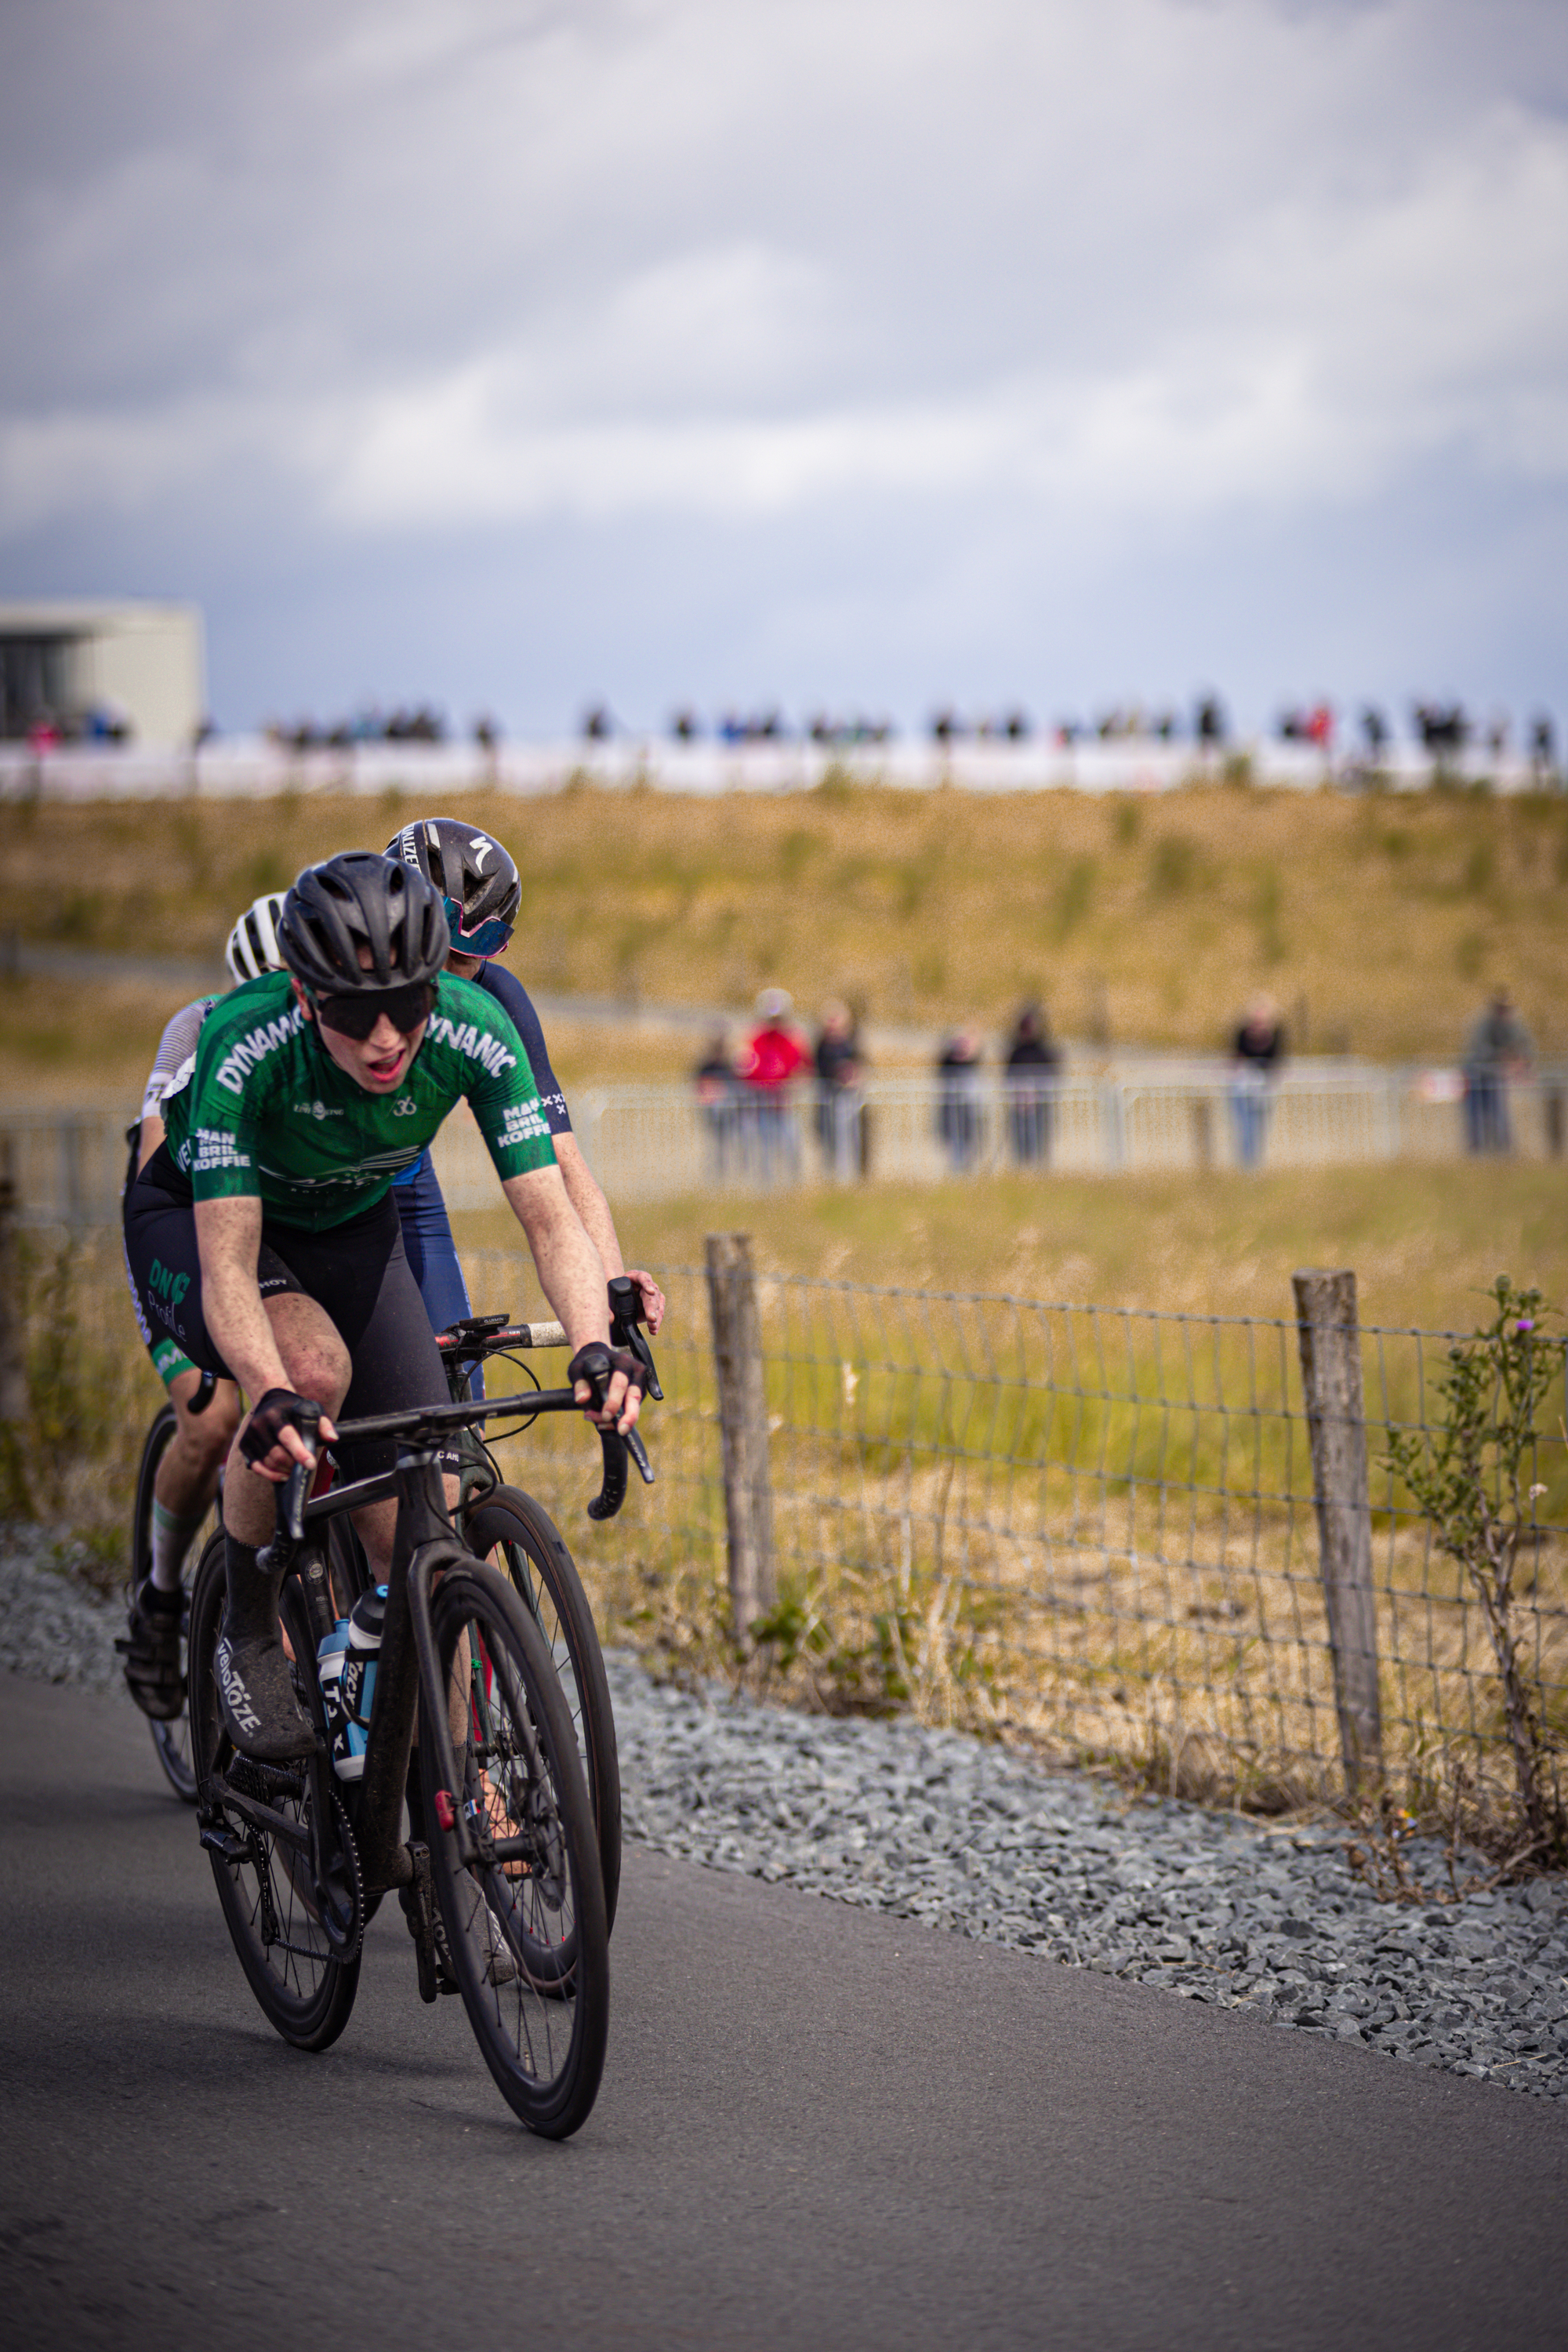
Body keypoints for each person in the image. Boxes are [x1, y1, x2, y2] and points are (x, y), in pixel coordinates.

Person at [122, 851, 645, 1764]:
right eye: (352, 1013)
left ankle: (446, 1808)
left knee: (424, 1510)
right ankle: (245, 1627)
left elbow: (549, 1217)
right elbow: (231, 1263)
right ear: (302, 996)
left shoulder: (474, 1027)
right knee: (309, 1372)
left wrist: (595, 1348)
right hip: (211, 1223)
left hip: (349, 1224)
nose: (384, 1039)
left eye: (408, 1004)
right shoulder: (243, 1045)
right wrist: (269, 1386)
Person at [384, 818, 663, 1343]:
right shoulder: (334, 982)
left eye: (483, 946)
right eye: (447, 945)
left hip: (403, 1185)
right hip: (298, 1194)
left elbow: (562, 1164)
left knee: (457, 1392)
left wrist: (609, 1283)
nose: (459, 971)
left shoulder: (495, 1000)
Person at [116, 891, 287, 1719]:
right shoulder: (195, 1028)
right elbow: (162, 1162)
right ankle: (159, 1596)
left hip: (270, 1222)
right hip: (179, 1215)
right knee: (214, 1417)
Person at [736, 988, 806, 1184]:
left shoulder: (792, 1039)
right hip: (761, 1107)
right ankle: (765, 1186)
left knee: (791, 1145)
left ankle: (793, 1184)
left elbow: (801, 1066)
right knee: (763, 1148)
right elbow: (746, 1068)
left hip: (784, 1107)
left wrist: (792, 1083)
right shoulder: (753, 1039)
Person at [1464, 989, 1534, 1154]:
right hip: (1477, 1075)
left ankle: (1503, 1150)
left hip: (1495, 1077)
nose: (1504, 1012)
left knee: (1498, 1113)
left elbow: (1525, 1047)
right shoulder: (1483, 1023)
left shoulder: (1515, 1024)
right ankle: (1477, 1150)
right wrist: (1499, 1055)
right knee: (1477, 1114)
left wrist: (1523, 1064)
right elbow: (1478, 1048)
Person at [1230, 994, 1285, 1168]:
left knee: (1262, 1125)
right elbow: (1236, 1058)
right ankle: (1246, 1162)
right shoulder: (1242, 1033)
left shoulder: (1276, 1033)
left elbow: (1277, 1059)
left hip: (1265, 1086)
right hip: (1244, 1085)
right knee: (1245, 1124)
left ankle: (1258, 1161)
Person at [814, 1001, 865, 1181]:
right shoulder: (821, 1046)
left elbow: (863, 1064)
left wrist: (854, 1075)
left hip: (850, 1100)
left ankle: (852, 1177)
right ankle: (832, 1177)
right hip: (829, 1099)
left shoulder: (852, 1043)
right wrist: (837, 1073)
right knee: (829, 1140)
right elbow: (819, 1068)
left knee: (852, 1139)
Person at [1004, 1004, 1059, 1166]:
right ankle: (1022, 1167)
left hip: (1039, 1104)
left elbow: (1053, 1075)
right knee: (1020, 1137)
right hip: (1019, 1104)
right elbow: (1008, 1075)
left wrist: (1037, 1092)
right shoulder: (1016, 1051)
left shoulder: (1045, 1050)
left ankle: (1039, 1166)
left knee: (1039, 1136)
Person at [692, 1030, 739, 1180]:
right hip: (713, 1111)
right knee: (716, 1144)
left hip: (730, 1112)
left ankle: (731, 1171)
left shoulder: (728, 1065)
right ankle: (717, 1172)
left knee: (731, 1142)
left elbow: (737, 1086)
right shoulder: (706, 1066)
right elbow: (700, 1087)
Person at [936, 1030, 984, 1172]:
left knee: (970, 1140)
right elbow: (941, 1060)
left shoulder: (972, 1063)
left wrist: (971, 1046)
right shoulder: (947, 1063)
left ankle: (968, 1167)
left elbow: (977, 1056)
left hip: (968, 1108)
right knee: (952, 1140)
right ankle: (956, 1168)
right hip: (950, 1108)